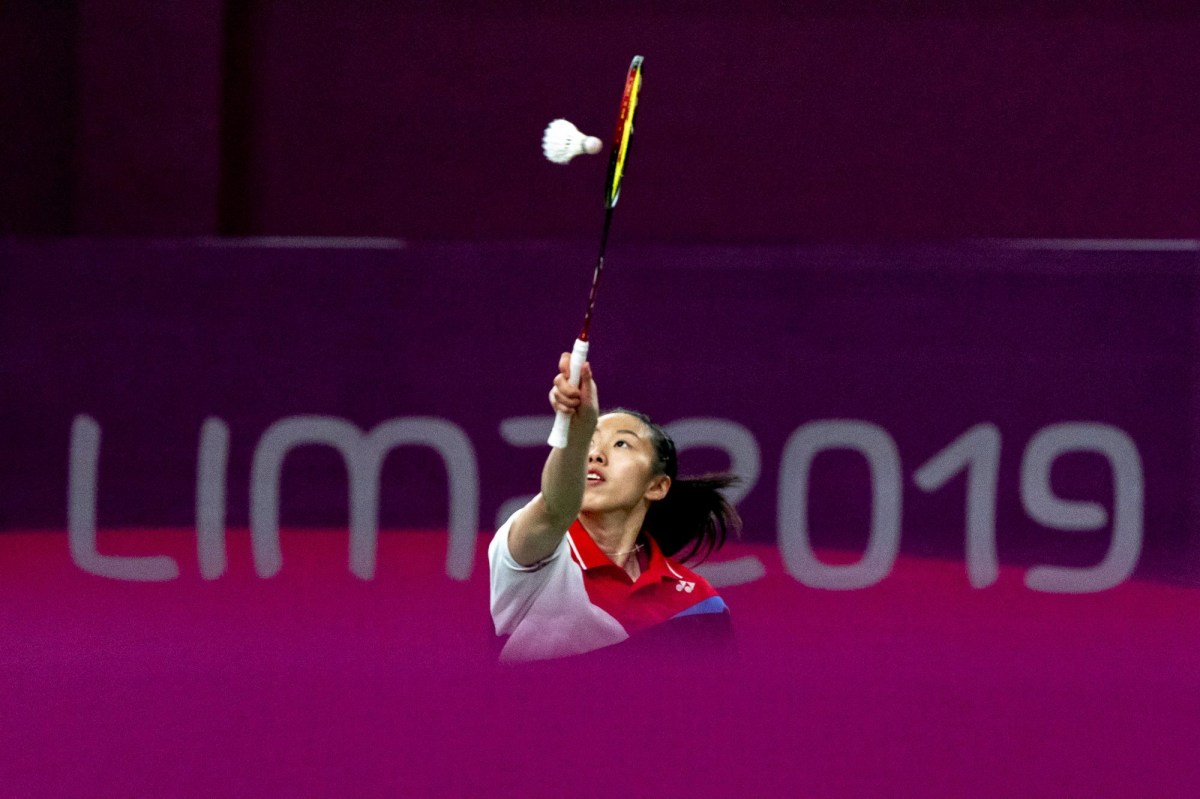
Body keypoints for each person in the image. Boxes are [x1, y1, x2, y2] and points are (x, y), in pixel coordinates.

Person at [488, 353, 741, 662]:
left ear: (657, 486)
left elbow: (717, 704)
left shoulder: (699, 604)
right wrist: (576, 432)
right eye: (590, 444)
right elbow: (556, 509)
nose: (595, 455)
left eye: (622, 444)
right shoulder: (537, 556)